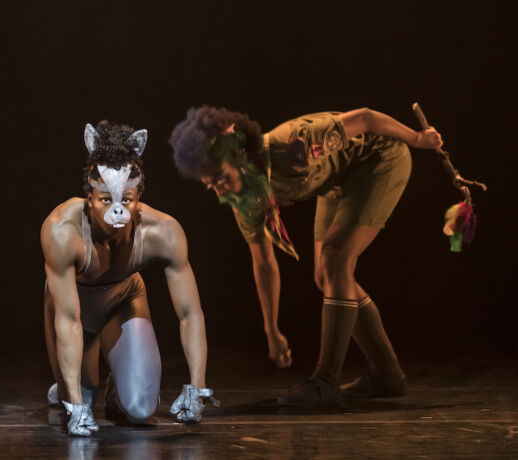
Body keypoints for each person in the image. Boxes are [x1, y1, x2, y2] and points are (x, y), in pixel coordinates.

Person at [169, 106, 442, 407]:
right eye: (210, 186)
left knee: (336, 259)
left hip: (379, 157)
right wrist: (271, 329)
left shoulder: (291, 145)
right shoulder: (245, 200)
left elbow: (366, 118)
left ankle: (325, 380)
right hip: (338, 179)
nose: (220, 193)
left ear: (240, 157)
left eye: (220, 178)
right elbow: (264, 263)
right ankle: (387, 375)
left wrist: (417, 138)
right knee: (326, 276)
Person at [41, 121, 214, 436]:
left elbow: (191, 313)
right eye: (106, 200)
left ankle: (117, 387)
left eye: (127, 200)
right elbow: (67, 318)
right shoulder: (62, 230)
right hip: (73, 304)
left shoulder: (163, 232)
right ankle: (74, 388)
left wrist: (197, 385)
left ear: (139, 197)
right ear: (89, 198)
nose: (117, 212)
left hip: (123, 300)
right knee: (82, 397)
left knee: (140, 409)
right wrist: (77, 406)